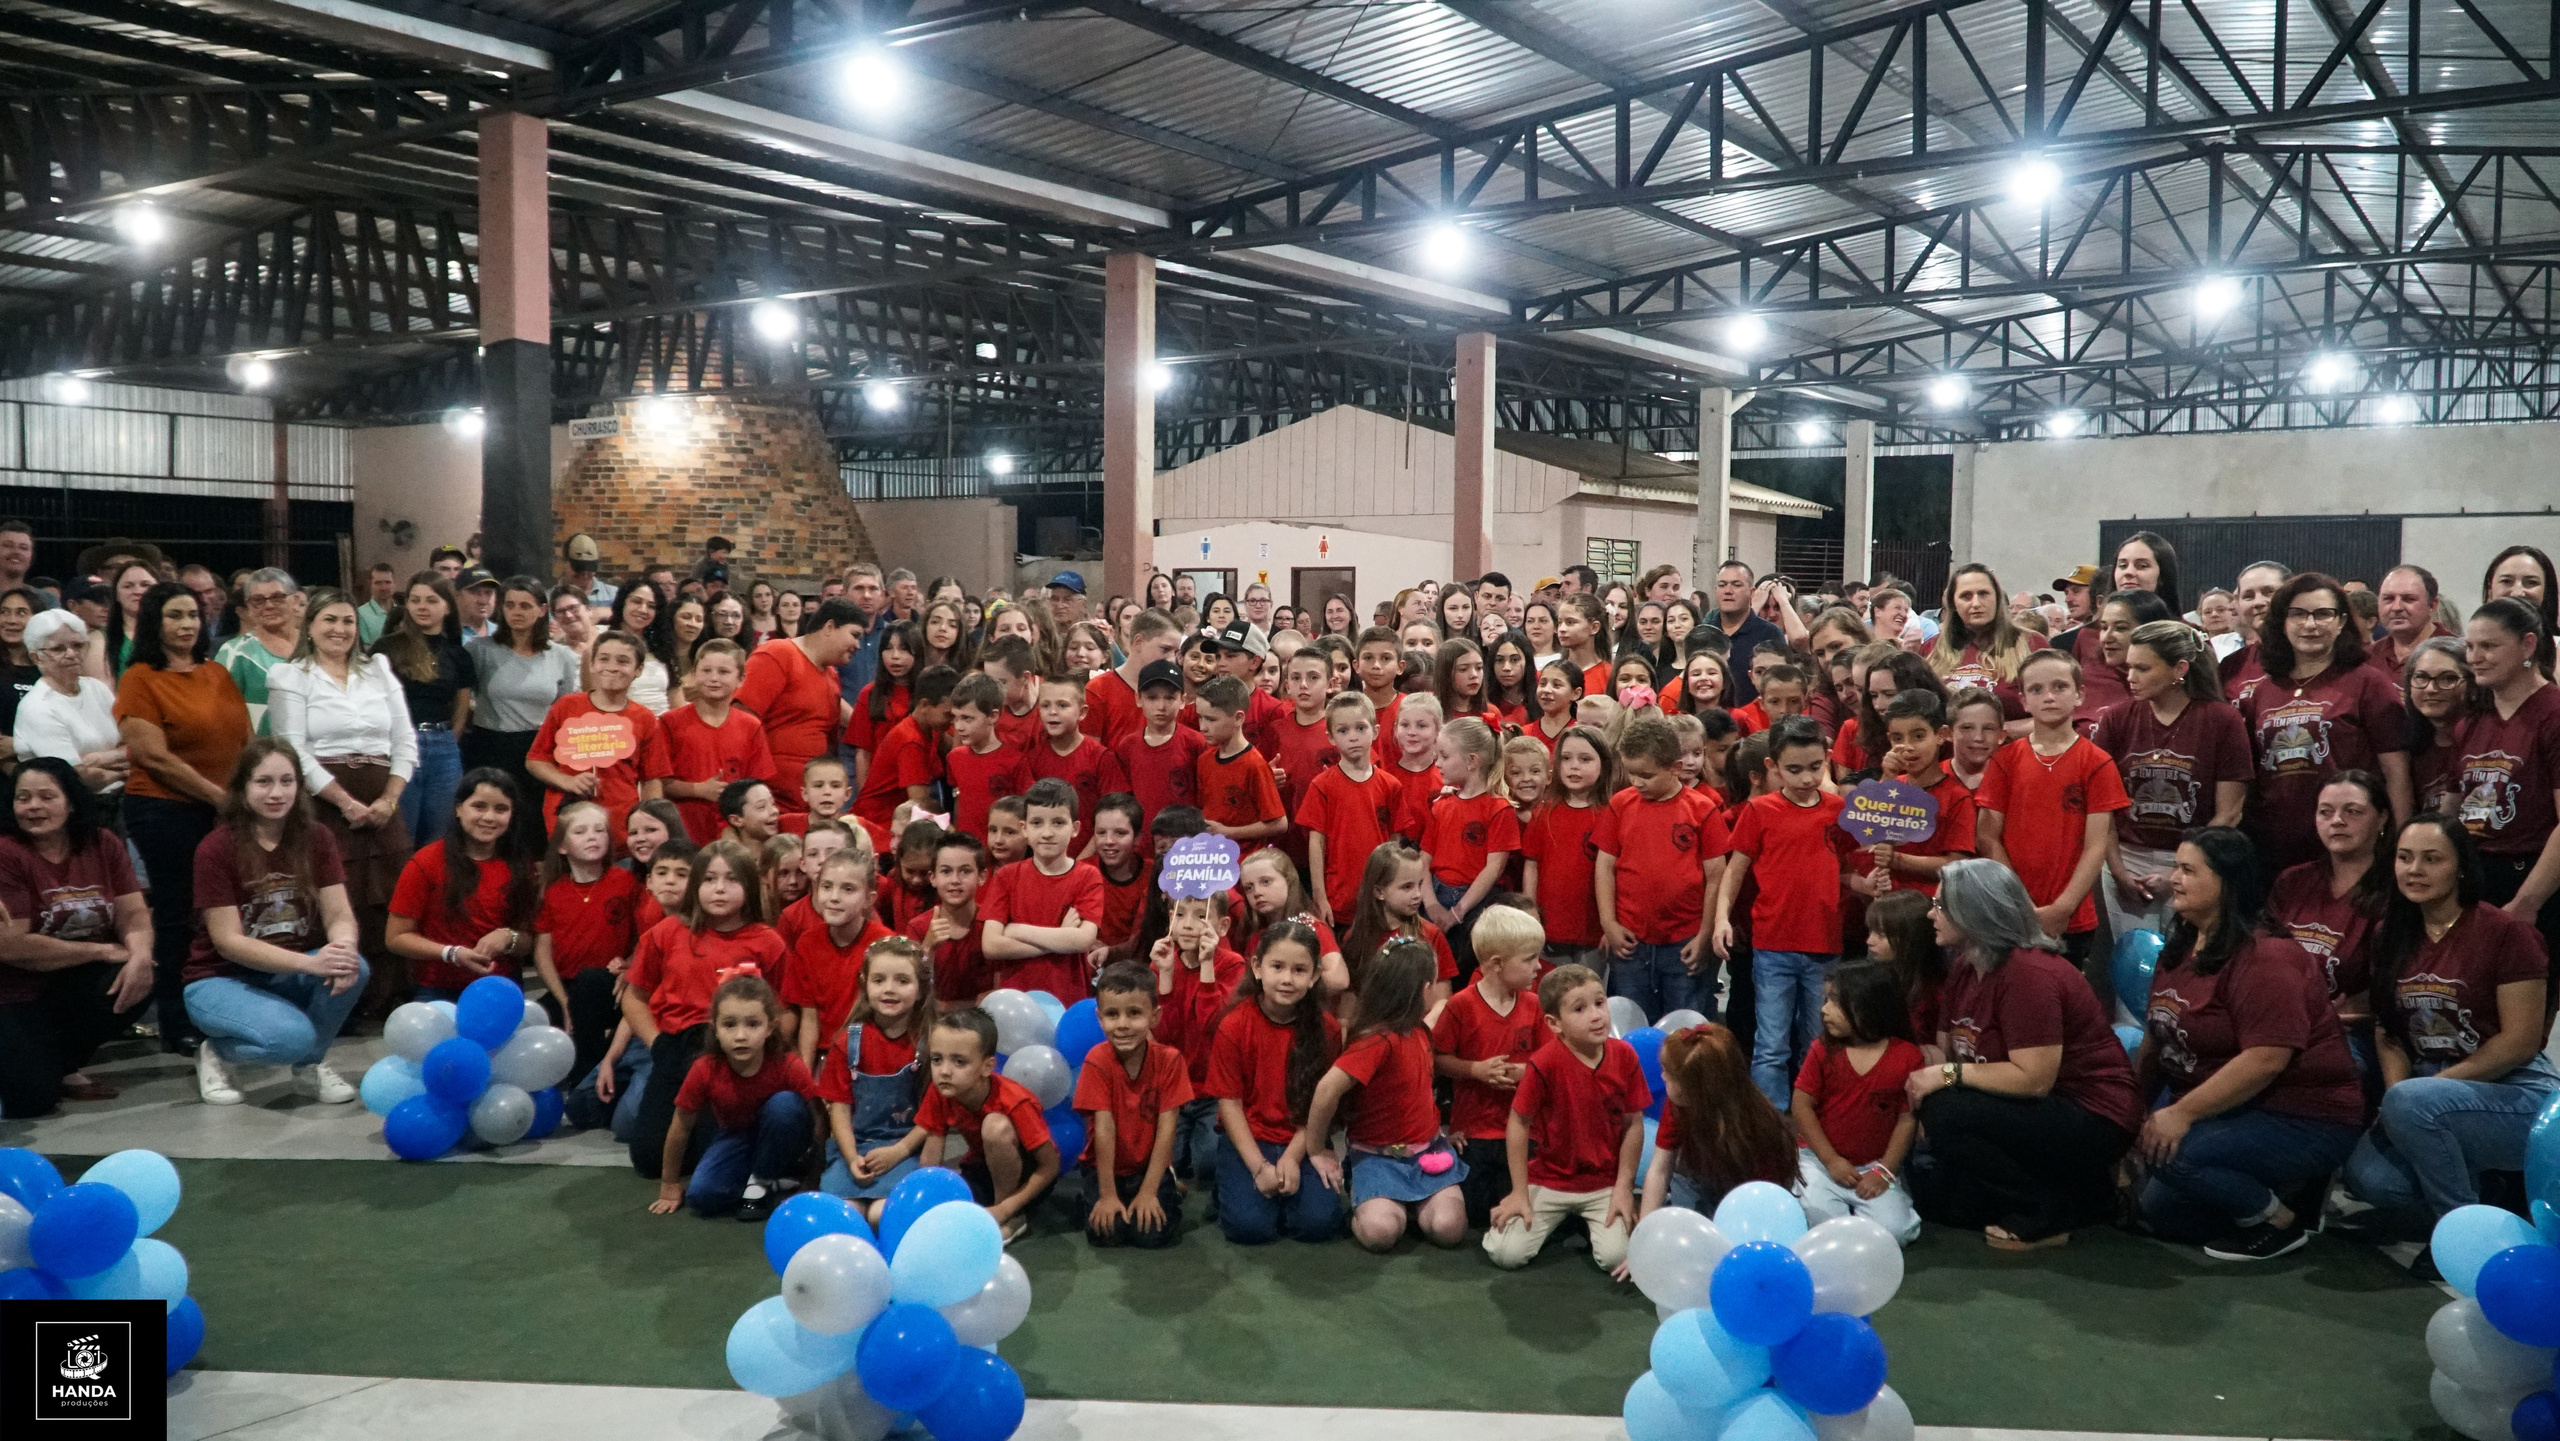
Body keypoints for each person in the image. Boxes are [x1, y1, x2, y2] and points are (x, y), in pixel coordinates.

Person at [2130, 828, 2366, 1258]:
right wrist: (2130, 1118)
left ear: (2227, 882)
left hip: (2303, 1116)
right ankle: (2268, 1186)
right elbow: (2156, 1039)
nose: (2174, 879)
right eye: (2176, 868)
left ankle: (2280, 1221)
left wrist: (2180, 1115)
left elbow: (2266, 1059)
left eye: (2188, 870)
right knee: (2163, 1215)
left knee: (2176, 1157)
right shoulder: (2183, 946)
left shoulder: (2268, 957)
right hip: (2230, 1108)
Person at [1903, 858, 2142, 1250]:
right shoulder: (1966, 965)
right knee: (1940, 1203)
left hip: (2093, 1115)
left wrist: (1945, 1076)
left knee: (1946, 1109)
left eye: (1941, 906)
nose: (1932, 914)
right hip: (2036, 1110)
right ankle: (2089, 1196)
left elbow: (2034, 1079)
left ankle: (2044, 1213)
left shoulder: (2028, 973)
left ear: (1976, 911)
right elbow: (1947, 1049)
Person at [2345, 814, 2557, 1250]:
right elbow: (2388, 1029)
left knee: (2413, 1105)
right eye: (2404, 858)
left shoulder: (2508, 933)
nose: (2414, 870)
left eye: (2431, 859)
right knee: (2371, 1181)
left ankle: (2465, 1236)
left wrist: (2423, 1094)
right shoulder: (2390, 933)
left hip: (2517, 1093)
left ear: (2460, 867)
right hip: (2429, 1088)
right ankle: (2488, 1190)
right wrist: (2399, 1098)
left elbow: (2520, 1043)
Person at [182, 738, 369, 1106]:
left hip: (287, 970)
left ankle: (309, 1066)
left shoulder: (317, 837)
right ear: (243, 787)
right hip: (220, 979)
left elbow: (338, 913)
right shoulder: (215, 848)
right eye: (263, 782)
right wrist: (312, 964)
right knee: (290, 1040)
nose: (276, 793)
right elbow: (228, 942)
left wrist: (342, 950)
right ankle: (217, 1052)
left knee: (355, 966)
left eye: (287, 781)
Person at [118, 578, 252, 1056]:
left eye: (193, 614)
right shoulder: (139, 678)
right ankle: (176, 1022)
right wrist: (219, 798)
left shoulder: (216, 673)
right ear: (154, 623)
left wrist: (248, 793)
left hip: (225, 809)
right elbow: (153, 756)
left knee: (224, 913)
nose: (186, 624)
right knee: (180, 914)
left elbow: (245, 740)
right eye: (174, 615)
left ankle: (224, 1008)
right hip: (165, 810)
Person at [264, 586, 416, 975]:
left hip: (383, 802)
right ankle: (339, 984)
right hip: (325, 803)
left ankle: (391, 991)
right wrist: (344, 802)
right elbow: (293, 750)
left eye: (348, 620)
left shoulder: (377, 669)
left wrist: (390, 799)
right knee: (335, 894)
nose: (340, 629)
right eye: (329, 619)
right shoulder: (290, 676)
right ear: (309, 626)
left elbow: (404, 740)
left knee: (392, 895)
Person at [622, 837, 786, 1179]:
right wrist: (656, 1043)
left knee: (713, 1157)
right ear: (696, 886)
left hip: (736, 1055)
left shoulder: (767, 941)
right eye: (709, 879)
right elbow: (634, 997)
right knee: (649, 1159)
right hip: (676, 1047)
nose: (719, 889)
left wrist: (764, 1051)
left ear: (750, 887)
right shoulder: (666, 933)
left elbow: (786, 1009)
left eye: (731, 879)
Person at [0, 759, 153, 1116]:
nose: (33, 806)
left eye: (46, 797)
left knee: (138, 975)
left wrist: (141, 956)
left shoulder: (102, 843)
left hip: (69, 981)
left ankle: (61, 1065)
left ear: (71, 802)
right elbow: (11, 946)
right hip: (13, 990)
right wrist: (99, 951)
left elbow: (133, 913)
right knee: (31, 1102)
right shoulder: (6, 852)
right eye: (23, 798)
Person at [1716, 715, 1851, 1105]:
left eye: (1815, 767)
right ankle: (1772, 1118)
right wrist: (1722, 918)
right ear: (1772, 766)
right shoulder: (1760, 811)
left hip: (1825, 941)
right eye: (1794, 770)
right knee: (1772, 1042)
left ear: (1827, 759)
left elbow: (1845, 869)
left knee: (1817, 1038)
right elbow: (1734, 871)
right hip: (1773, 943)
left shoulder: (1838, 810)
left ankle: (1813, 1115)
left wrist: (1866, 883)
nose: (1807, 778)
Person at [2239, 571, 2412, 873]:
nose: (2310, 625)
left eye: (2322, 614)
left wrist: (2400, 843)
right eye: (2298, 614)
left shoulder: (2368, 683)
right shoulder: (2264, 690)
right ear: (2282, 622)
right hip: (2274, 847)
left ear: (2341, 621)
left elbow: (2396, 772)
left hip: (2351, 845)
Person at [1976, 650, 2129, 989]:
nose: (2048, 696)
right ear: (2023, 701)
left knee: (2061, 1000)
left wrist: (2062, 908)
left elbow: (2096, 845)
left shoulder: (2097, 762)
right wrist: (2022, 905)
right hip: (2011, 912)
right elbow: (1987, 837)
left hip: (2072, 917)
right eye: (2036, 689)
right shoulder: (2005, 760)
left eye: (2059, 687)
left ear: (2080, 694)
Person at [1484, 960, 1649, 1271]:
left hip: (1604, 1183)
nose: (1596, 1015)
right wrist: (1519, 1192)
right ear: (1554, 1023)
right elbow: (1518, 1123)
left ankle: (1583, 1223)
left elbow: (1633, 1123)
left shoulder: (1625, 1056)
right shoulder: (1544, 1063)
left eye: (1600, 1003)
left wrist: (1624, 1187)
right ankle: (1568, 1222)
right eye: (1579, 1009)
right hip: (1551, 1180)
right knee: (1506, 1254)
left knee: (1616, 1257)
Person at [2092, 620, 2250, 939]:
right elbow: (2100, 805)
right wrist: (2118, 871)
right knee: (2129, 958)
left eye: (2142, 668)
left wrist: (2178, 870)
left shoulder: (2222, 720)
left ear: (2179, 669)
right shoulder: (2117, 718)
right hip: (2124, 858)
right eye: (2129, 667)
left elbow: (2230, 812)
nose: (2131, 677)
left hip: (2195, 861)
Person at [871, 1006, 1062, 1240]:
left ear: (987, 1067)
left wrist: (1004, 1209)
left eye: (959, 1062)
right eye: (937, 1059)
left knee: (995, 1126)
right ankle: (989, 1208)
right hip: (983, 1171)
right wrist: (922, 1202)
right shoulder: (940, 1091)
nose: (944, 1071)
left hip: (1028, 1179)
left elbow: (1049, 1167)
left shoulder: (1014, 1101)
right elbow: (930, 1158)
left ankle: (1012, 1217)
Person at [647, 970, 817, 1221]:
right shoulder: (704, 1069)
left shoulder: (788, 1065)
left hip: (786, 1135)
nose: (740, 1036)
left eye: (753, 1024)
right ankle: (771, 1180)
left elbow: (819, 1118)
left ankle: (762, 1180)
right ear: (714, 1028)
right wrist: (669, 1182)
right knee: (702, 1197)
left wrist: (814, 1178)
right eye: (729, 1025)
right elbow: (681, 1125)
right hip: (737, 1137)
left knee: (784, 1105)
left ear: (770, 1028)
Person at [2448, 597, 2560, 966]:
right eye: (2470, 647)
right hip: (2474, 874)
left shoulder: (2553, 714)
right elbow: (2453, 806)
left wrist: (2527, 902)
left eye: (2489, 646)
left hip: (2533, 880)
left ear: (2528, 645)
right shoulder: (2471, 722)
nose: (2475, 658)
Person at [1431, 904, 1552, 1227]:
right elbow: (1437, 1060)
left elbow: (1550, 1063)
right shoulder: (1460, 1006)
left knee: (1526, 1210)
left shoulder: (1534, 1005)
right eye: (1529, 959)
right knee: (1476, 1212)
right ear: (1497, 964)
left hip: (1525, 1131)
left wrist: (1526, 1072)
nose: (1538, 966)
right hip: (1474, 1132)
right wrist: (1475, 1070)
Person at [1791, 959, 1925, 1244]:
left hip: (1874, 1166)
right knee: (1823, 1221)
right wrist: (1831, 1161)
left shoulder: (1907, 1057)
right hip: (1819, 1162)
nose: (1824, 1009)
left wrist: (1885, 1172)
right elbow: (1801, 1107)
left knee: (1897, 1231)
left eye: (1835, 1002)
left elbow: (1906, 1119)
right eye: (1826, 999)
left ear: (1869, 1007)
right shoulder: (1822, 1050)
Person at [384, 768, 539, 1009]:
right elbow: (396, 938)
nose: (489, 817)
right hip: (437, 988)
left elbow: (530, 941)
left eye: (501, 809)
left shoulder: (521, 864)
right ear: (458, 809)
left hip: (500, 985)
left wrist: (509, 937)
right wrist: (452, 953)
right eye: (479, 806)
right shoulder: (426, 862)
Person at [1072, 960, 1192, 1248]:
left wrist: (1149, 1192)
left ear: (1154, 1016)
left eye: (1134, 1013)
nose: (1123, 1024)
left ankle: (1169, 1187)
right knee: (1107, 1234)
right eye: (1112, 1014)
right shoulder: (1097, 1061)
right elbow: (1103, 1129)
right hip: (1106, 1168)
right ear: (1100, 1018)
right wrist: (1107, 1195)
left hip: (1148, 1167)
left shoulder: (1170, 1061)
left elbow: (1167, 1130)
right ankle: (1090, 1195)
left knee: (1151, 1235)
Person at [1628, 1022, 1795, 1224]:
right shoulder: (1677, 1107)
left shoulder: (1758, 1129)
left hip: (1749, 1192)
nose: (1662, 1077)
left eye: (1668, 1074)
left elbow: (1766, 1194)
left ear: (1695, 1089)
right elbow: (1660, 1169)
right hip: (1700, 1180)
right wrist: (1645, 1228)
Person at [819, 934, 935, 1219]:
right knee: (846, 1214)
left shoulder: (930, 1044)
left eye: (903, 981)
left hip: (907, 1149)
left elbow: (935, 1112)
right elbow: (839, 1110)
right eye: (879, 980)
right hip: (855, 1149)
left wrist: (898, 1151)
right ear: (865, 984)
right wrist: (851, 1158)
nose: (889, 989)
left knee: (881, 1215)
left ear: (921, 990)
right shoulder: (847, 1043)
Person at [533, 799, 644, 1094]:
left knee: (589, 984)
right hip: (566, 987)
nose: (592, 837)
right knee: (532, 1016)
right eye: (580, 832)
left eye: (599, 830)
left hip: (610, 985)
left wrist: (630, 962)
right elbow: (542, 953)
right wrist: (563, 1001)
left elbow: (645, 935)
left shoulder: (626, 882)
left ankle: (586, 1082)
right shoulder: (552, 892)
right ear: (562, 846)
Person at [466, 576, 583, 844]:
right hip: (490, 744)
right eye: (510, 605)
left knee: (533, 827)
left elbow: (564, 711)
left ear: (542, 610)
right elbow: (463, 697)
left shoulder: (561, 656)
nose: (516, 612)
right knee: (491, 825)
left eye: (525, 606)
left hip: (538, 748)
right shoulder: (480, 649)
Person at [526, 629, 672, 844]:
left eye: (623, 661)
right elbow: (536, 760)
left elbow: (652, 780)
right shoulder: (566, 706)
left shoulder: (645, 718)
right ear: (592, 664)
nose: (612, 667)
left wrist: (648, 826)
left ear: (638, 669)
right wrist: (567, 781)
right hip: (568, 826)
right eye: (604, 659)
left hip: (620, 827)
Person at [981, 778, 1104, 1002]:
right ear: (1024, 828)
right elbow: (991, 945)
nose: (1047, 833)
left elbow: (1083, 940)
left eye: (1058, 823)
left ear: (1075, 829)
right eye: (1037, 823)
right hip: (1017, 1000)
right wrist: (1061, 938)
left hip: (1069, 997)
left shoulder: (1088, 876)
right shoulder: (1006, 876)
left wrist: (1016, 930)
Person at [738, 597, 864, 812]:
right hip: (772, 799)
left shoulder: (831, 675)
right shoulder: (778, 653)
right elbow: (741, 720)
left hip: (814, 800)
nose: (858, 645)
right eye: (855, 635)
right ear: (829, 627)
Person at [378, 573, 473, 848]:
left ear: (447, 606)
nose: (422, 606)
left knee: (439, 839)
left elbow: (461, 707)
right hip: (399, 744)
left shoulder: (458, 654)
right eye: (415, 600)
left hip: (443, 747)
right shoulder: (387, 647)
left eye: (431, 600)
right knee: (401, 835)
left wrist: (450, 738)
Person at [16, 610, 127, 797]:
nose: (71, 654)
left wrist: (99, 758)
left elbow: (136, 745)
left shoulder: (96, 688)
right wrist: (125, 769)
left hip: (123, 794)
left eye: (78, 645)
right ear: (36, 658)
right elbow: (75, 778)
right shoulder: (37, 707)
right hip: (81, 804)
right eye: (58, 649)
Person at [2368, 566, 2452, 692]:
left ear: (2432, 606)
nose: (2396, 607)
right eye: (2389, 599)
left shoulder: (2459, 656)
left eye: (2409, 599)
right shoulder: (2366, 658)